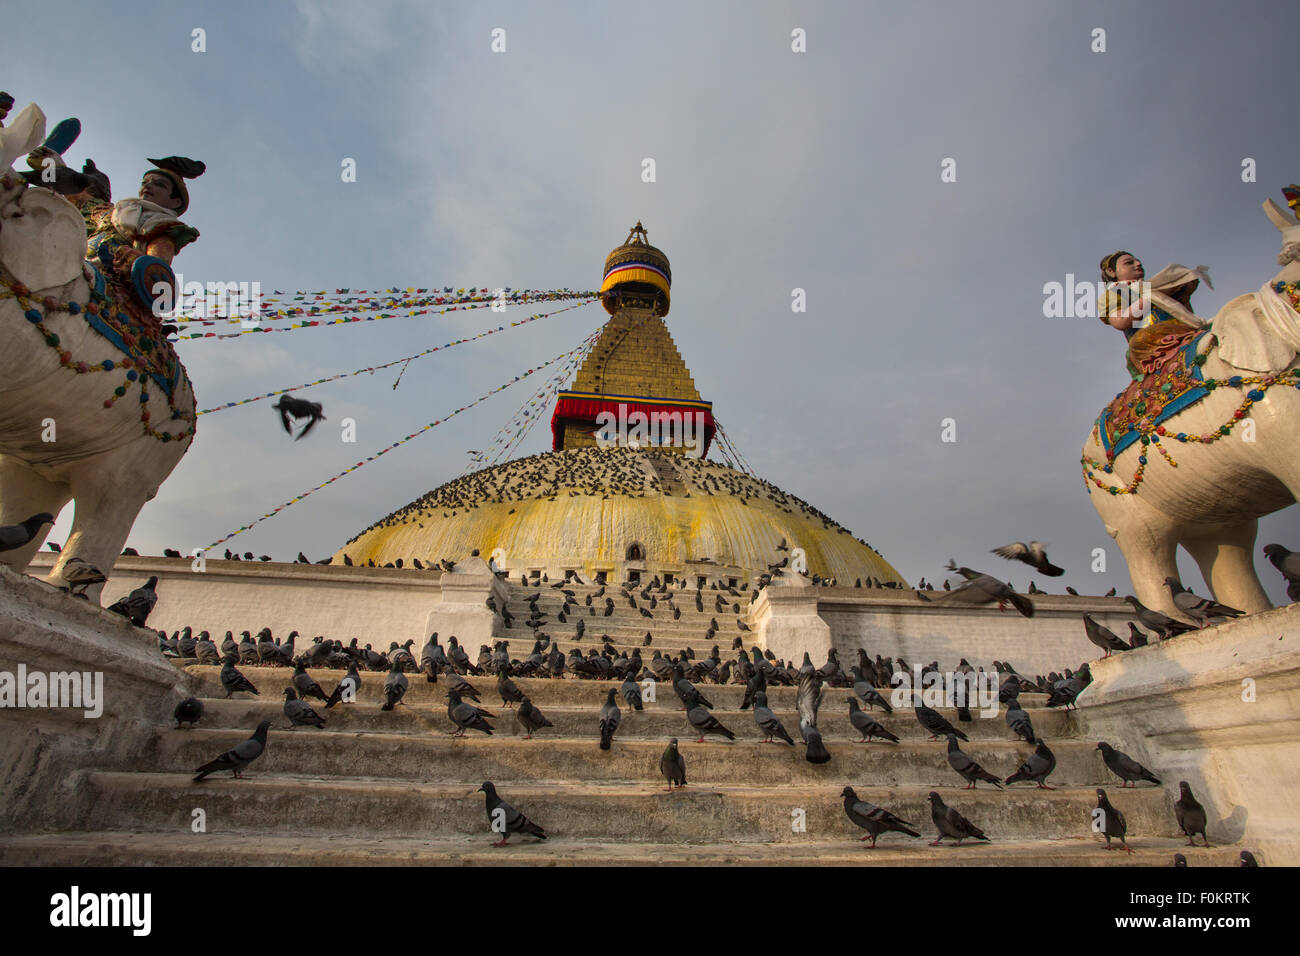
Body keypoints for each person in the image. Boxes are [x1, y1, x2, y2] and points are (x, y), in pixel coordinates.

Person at [1099, 250, 1212, 381]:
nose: (1138, 264)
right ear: (1111, 272)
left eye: (1138, 261)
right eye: (1129, 263)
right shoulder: (1116, 293)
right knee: (1143, 339)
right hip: (1150, 339)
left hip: (1183, 330)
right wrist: (1149, 297)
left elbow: (1186, 314)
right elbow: (1120, 321)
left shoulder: (1156, 287)